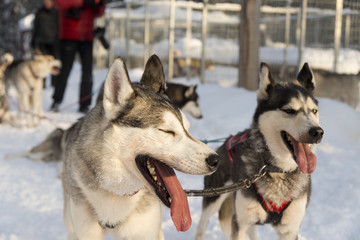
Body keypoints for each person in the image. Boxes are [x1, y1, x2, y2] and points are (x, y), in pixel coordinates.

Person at [51, 0, 105, 113]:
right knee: (65, 71)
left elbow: (99, 13)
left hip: (87, 37)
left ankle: (84, 104)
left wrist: (101, 4)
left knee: (88, 72)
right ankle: (56, 100)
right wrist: (82, 2)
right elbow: (59, 3)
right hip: (68, 36)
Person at [31, 0, 59, 87]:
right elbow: (35, 27)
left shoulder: (57, 12)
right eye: (45, 1)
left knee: (54, 63)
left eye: (49, 1)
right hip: (42, 42)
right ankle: (42, 84)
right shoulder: (39, 12)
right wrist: (33, 40)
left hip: (55, 43)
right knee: (42, 64)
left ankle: (55, 84)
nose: (47, 3)